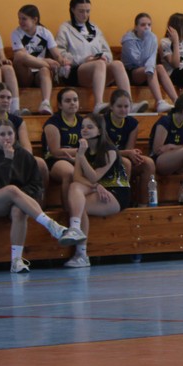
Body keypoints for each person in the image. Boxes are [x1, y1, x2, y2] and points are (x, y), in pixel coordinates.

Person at [0, 119, 86, 274]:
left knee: (19, 211)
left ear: (15, 135)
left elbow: (36, 185)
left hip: (18, 199)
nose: (7, 137)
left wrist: (21, 199)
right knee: (12, 190)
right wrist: (7, 160)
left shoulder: (24, 155)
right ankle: (52, 226)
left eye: (10, 133)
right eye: (2, 134)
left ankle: (16, 261)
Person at [55, 0, 147, 114]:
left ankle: (129, 103)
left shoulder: (95, 28)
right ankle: (98, 103)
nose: (85, 15)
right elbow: (60, 52)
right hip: (76, 70)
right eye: (81, 11)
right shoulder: (65, 28)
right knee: (99, 64)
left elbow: (107, 51)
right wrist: (84, 59)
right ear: (73, 10)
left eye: (88, 11)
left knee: (117, 64)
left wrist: (104, 57)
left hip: (99, 68)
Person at [63, 113, 129, 268]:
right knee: (74, 187)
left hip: (116, 192)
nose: (84, 130)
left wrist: (81, 156)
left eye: (90, 127)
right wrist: (96, 186)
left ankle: (81, 255)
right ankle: (75, 228)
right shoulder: (83, 149)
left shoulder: (109, 150)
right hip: (98, 188)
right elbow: (77, 177)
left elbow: (94, 176)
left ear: (99, 131)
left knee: (80, 206)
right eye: (83, 127)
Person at [0, 83, 49, 200]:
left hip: (15, 155)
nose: (6, 100)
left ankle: (41, 201)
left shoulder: (17, 120)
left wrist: (20, 158)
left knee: (41, 163)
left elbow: (26, 147)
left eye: (8, 98)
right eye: (1, 97)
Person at [11, 4, 68, 115]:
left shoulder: (44, 32)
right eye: (19, 18)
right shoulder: (16, 33)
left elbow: (56, 54)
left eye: (24, 19)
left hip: (40, 73)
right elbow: (23, 57)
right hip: (25, 73)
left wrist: (63, 61)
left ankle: (46, 103)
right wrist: (46, 62)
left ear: (35, 20)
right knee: (19, 56)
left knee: (44, 70)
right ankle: (46, 65)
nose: (20, 22)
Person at [102, 89, 155, 207]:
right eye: (119, 106)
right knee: (125, 163)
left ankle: (143, 205)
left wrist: (134, 154)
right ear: (111, 106)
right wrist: (128, 153)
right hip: (105, 159)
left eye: (126, 106)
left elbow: (129, 149)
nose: (123, 109)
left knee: (148, 163)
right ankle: (122, 202)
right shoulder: (103, 122)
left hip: (122, 156)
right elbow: (103, 151)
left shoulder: (132, 123)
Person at [120, 13, 176, 113]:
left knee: (160, 67)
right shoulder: (128, 40)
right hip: (131, 72)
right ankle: (159, 102)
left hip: (147, 71)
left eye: (149, 25)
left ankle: (177, 101)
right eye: (143, 25)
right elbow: (138, 61)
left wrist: (150, 40)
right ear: (136, 27)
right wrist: (149, 40)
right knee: (150, 68)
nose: (146, 27)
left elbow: (152, 59)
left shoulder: (152, 38)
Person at [41, 87, 82, 208]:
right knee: (69, 173)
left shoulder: (83, 121)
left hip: (77, 158)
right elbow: (56, 152)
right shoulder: (52, 123)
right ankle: (68, 210)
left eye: (75, 100)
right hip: (55, 160)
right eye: (68, 101)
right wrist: (80, 152)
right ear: (60, 105)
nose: (72, 103)